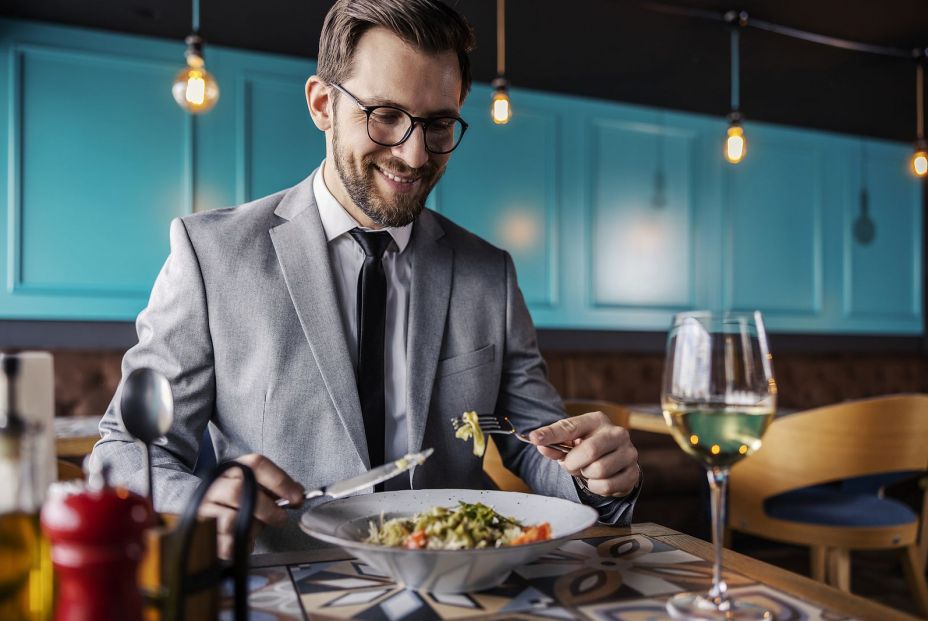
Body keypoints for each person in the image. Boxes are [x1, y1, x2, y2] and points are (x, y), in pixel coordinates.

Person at [91, 0, 640, 557]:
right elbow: (125, 453)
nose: (413, 152)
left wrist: (592, 473)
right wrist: (199, 500)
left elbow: (535, 447)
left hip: (463, 588)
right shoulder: (210, 254)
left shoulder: (489, 273)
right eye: (385, 115)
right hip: (285, 582)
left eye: (439, 124)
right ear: (322, 104)